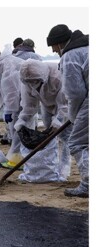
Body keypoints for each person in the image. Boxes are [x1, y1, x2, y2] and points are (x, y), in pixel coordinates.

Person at [46, 24, 89, 198]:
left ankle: (88, 184)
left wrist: (72, 116)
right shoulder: (88, 48)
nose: (54, 51)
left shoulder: (70, 55)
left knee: (78, 143)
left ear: (59, 43)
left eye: (53, 47)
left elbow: (75, 92)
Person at [16, 59, 68, 182]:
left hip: (66, 105)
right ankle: (50, 169)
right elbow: (29, 106)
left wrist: (59, 119)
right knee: (50, 133)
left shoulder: (58, 76)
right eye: (29, 81)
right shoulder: (27, 84)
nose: (32, 83)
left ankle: (63, 171)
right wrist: (22, 120)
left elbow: (65, 104)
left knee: (66, 137)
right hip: (47, 105)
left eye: (35, 81)